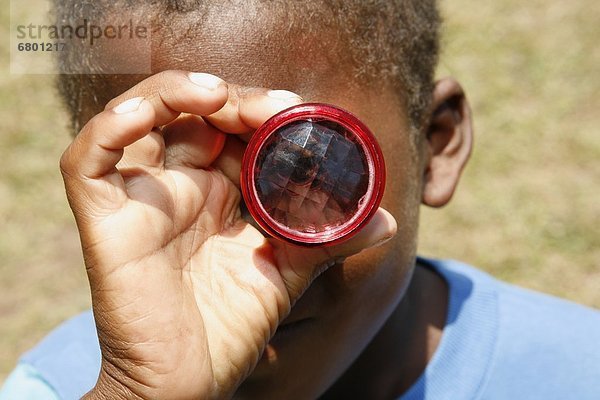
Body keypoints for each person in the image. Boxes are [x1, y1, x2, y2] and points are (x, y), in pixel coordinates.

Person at [2, 1, 600, 399]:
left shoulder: (578, 372)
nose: (235, 249)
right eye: (165, 174)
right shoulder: (60, 385)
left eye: (312, 166)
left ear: (434, 144)